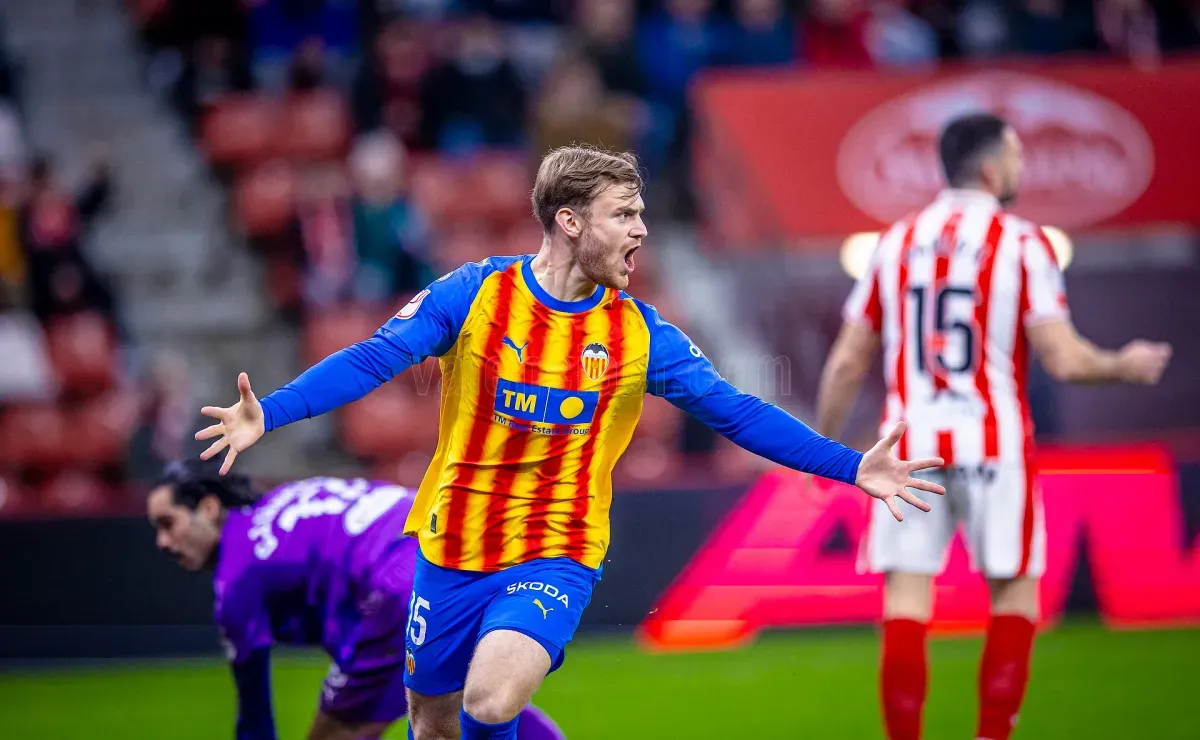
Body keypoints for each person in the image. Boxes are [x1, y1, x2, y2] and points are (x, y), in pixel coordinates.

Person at [195, 145, 945, 740]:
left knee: (491, 700)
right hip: (451, 548)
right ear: (569, 222)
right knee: (432, 721)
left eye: (643, 214)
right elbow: (372, 359)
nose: (641, 230)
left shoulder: (643, 335)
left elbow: (738, 412)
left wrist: (850, 465)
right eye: (624, 214)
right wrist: (276, 412)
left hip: (556, 550)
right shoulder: (475, 295)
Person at [814, 113, 1172, 740]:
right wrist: (1122, 362)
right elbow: (1063, 358)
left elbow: (847, 360)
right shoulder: (1021, 242)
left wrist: (824, 446)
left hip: (908, 444)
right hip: (994, 441)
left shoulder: (894, 241)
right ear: (988, 167)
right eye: (1015, 155)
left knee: (905, 602)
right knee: (1011, 598)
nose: (1022, 166)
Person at [146, 459, 566, 740]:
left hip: (398, 585)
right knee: (471, 702)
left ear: (208, 506)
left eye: (168, 524)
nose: (163, 543)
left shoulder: (235, 580)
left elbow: (255, 716)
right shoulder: (281, 503)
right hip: (452, 549)